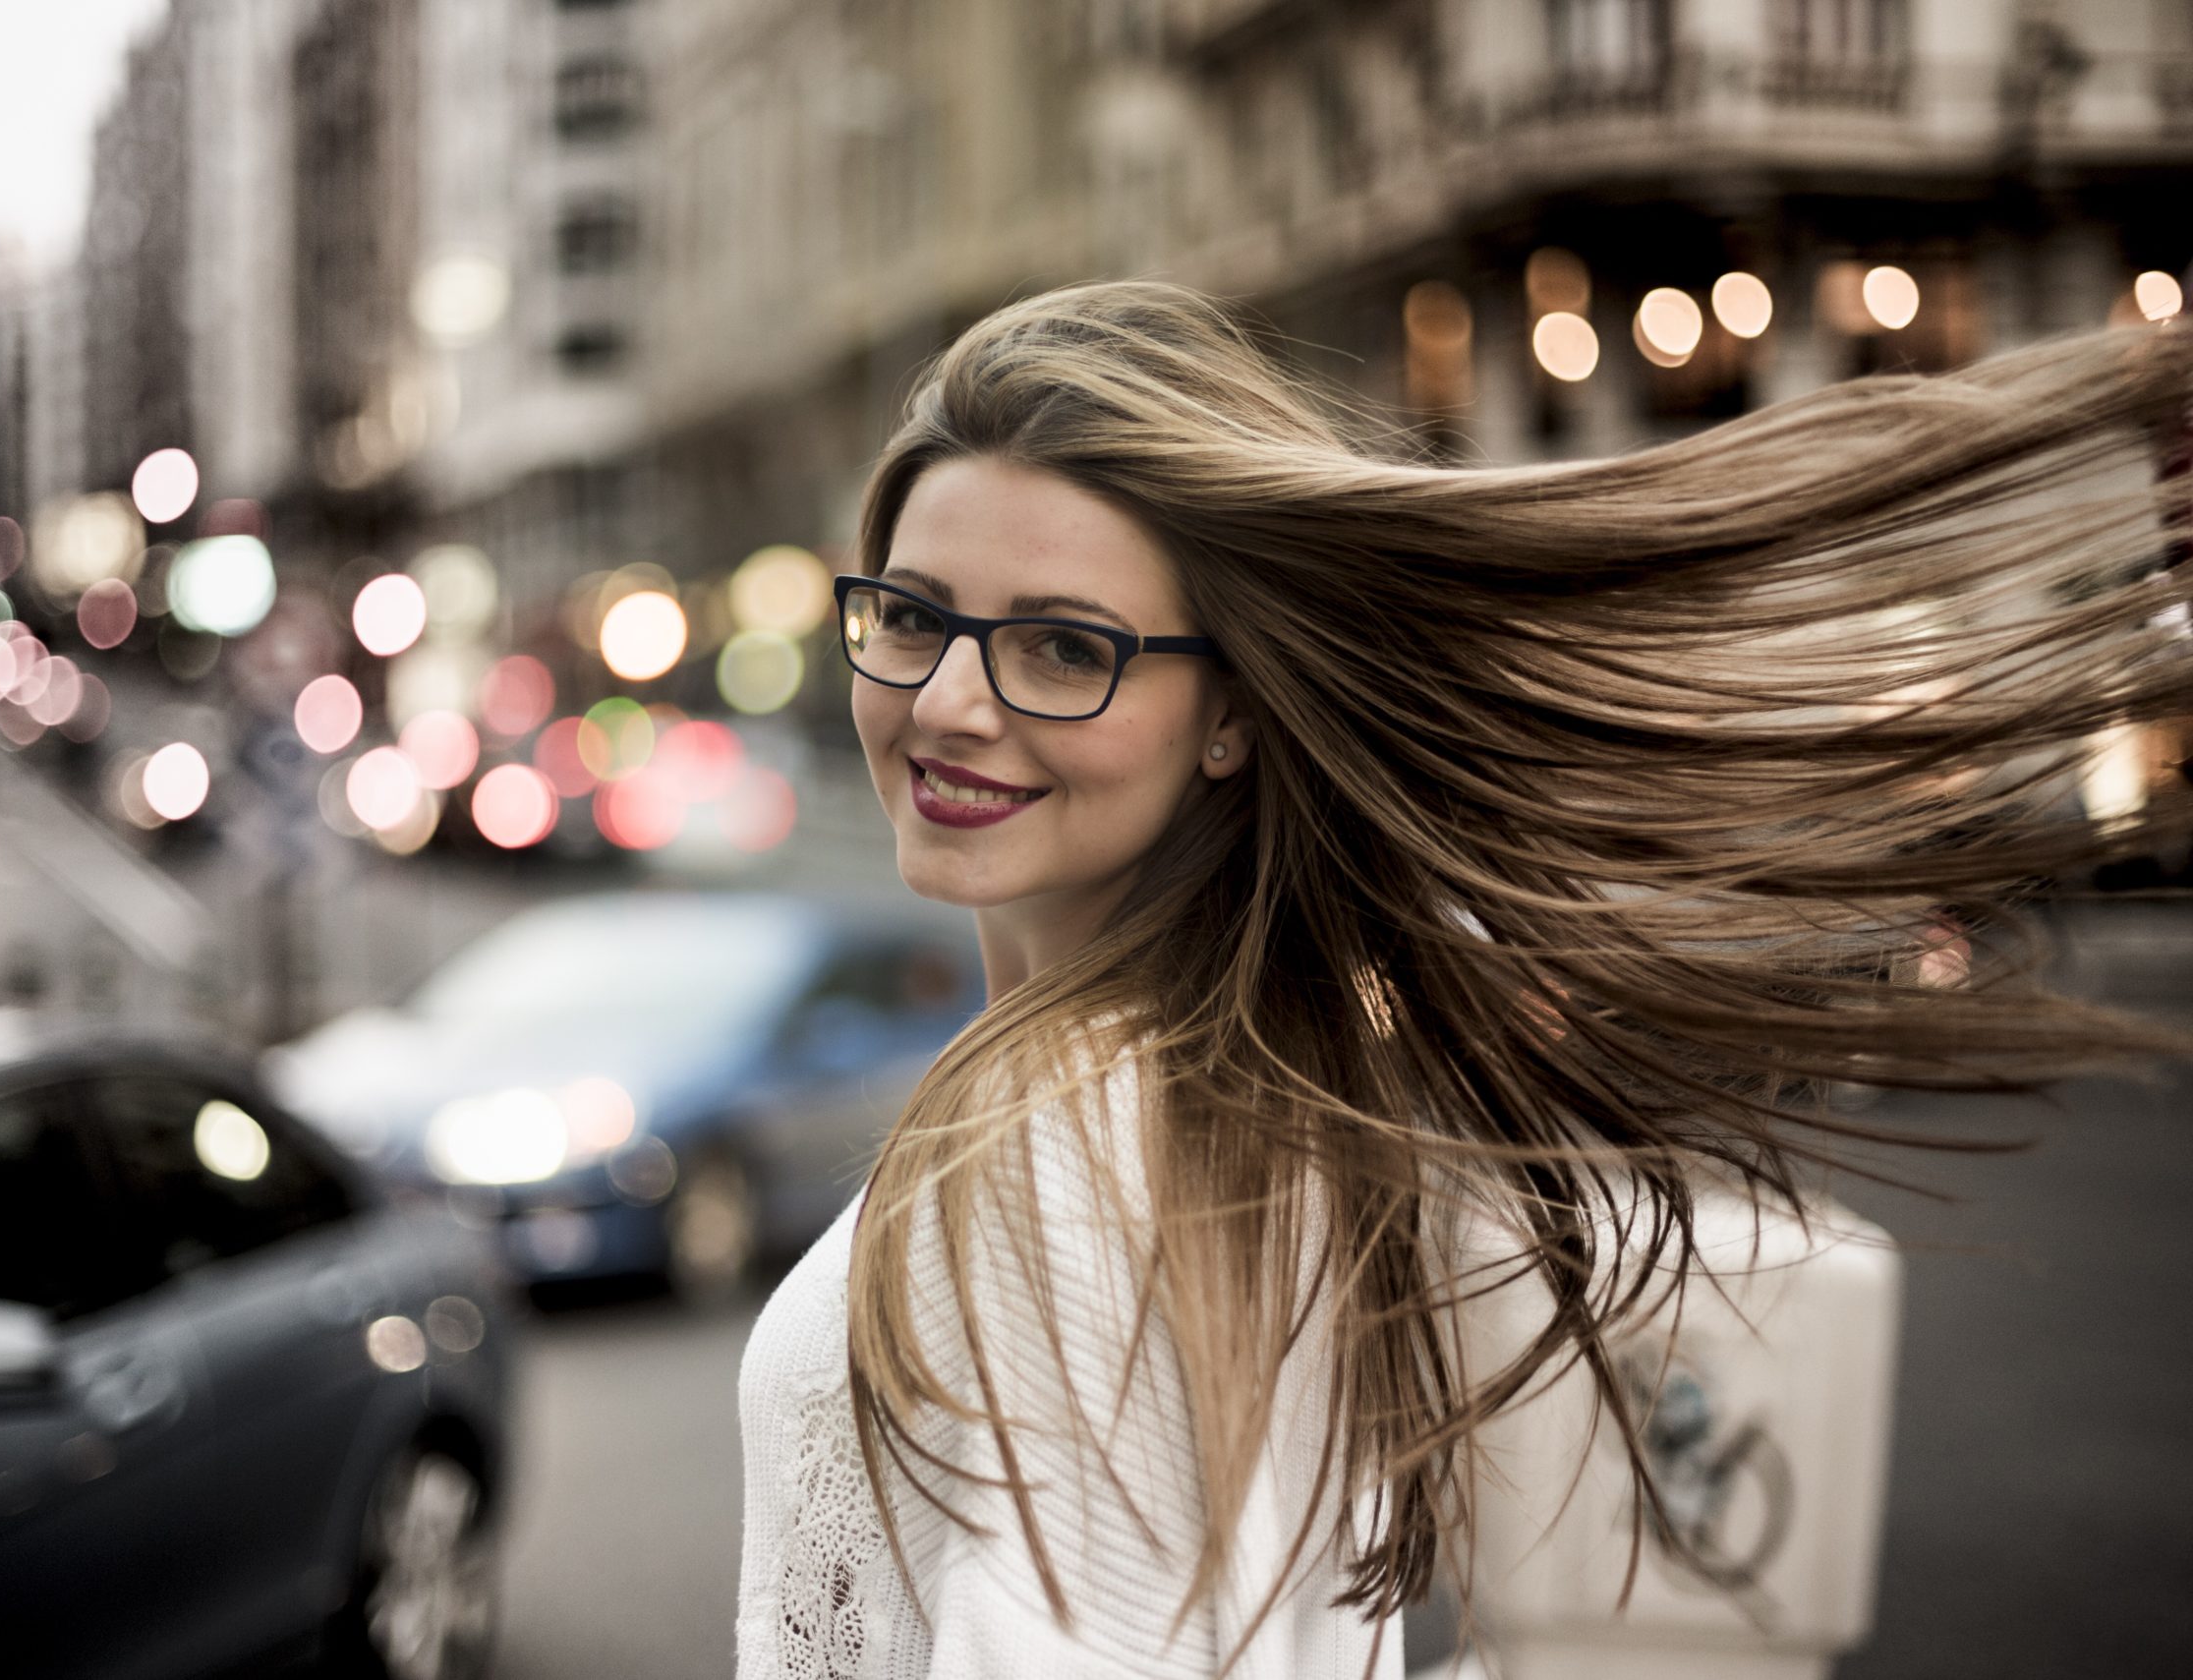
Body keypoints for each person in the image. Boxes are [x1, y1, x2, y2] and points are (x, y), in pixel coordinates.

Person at [733, 280, 2193, 1679]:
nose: (948, 702)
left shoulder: (1061, 1129)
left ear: (1230, 712)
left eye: (1067, 646)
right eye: (913, 616)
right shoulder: (1244, 1091)